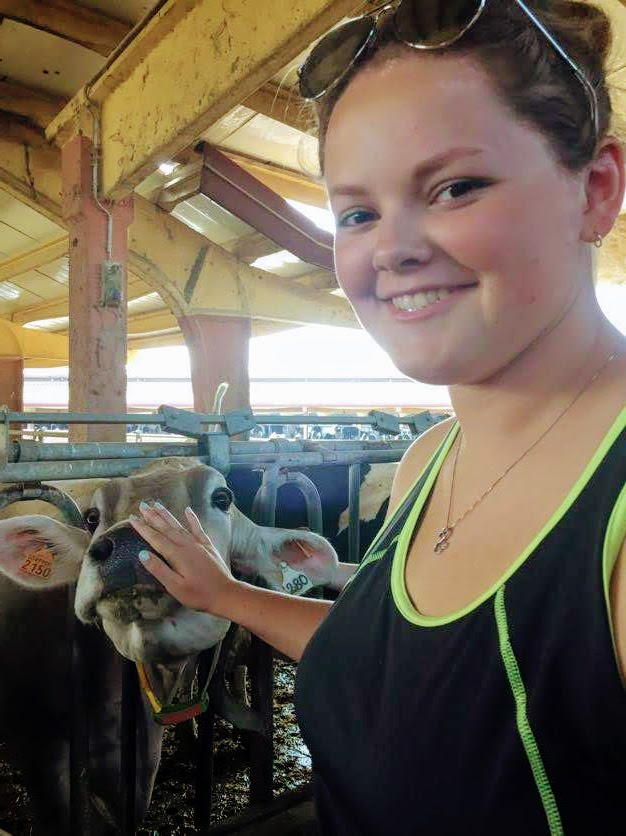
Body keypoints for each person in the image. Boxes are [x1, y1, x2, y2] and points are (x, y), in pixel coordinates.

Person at [131, 0, 626, 832]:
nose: (390, 249)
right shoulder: (429, 460)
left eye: (456, 187)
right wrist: (227, 595)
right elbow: (394, 668)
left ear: (597, 190)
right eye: (356, 212)